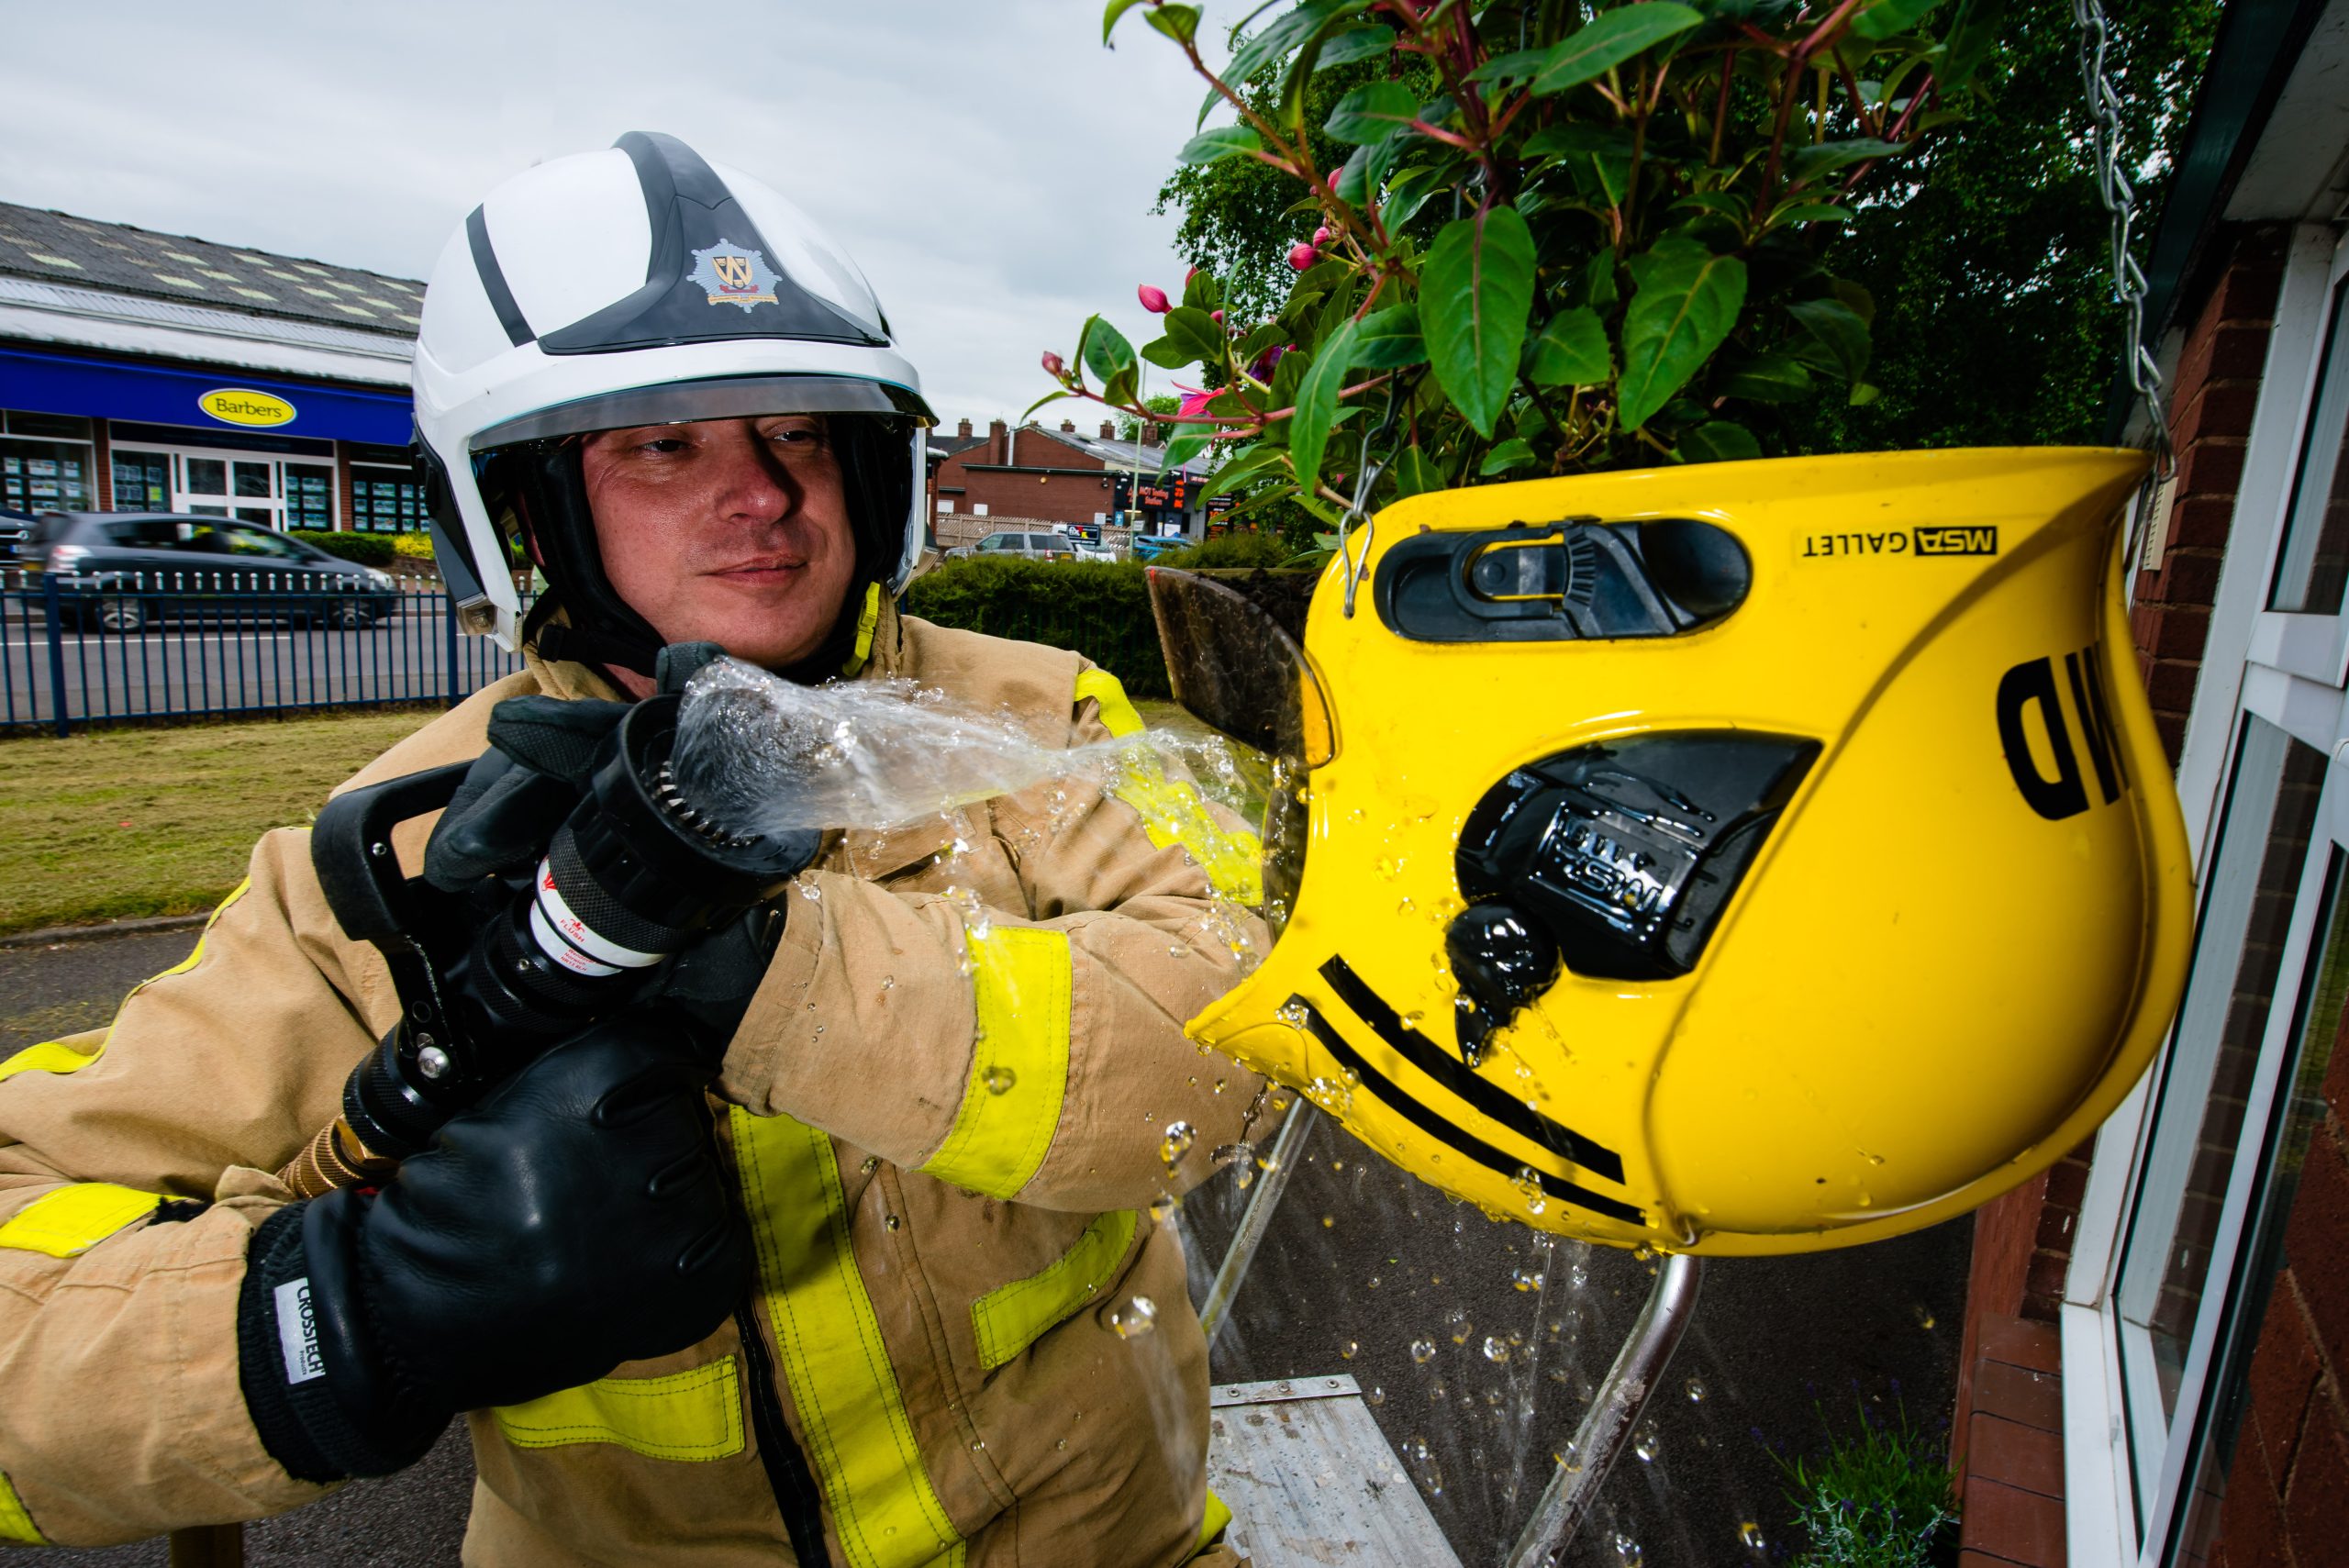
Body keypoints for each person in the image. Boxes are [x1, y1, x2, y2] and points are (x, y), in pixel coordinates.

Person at [0, 133, 1267, 1566]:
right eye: (663, 443)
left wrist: (754, 962)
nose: (765, 496)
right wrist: (354, 1313)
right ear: (530, 503)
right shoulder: (398, 853)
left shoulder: (1035, 714)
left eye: (796, 431)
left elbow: (1231, 1038)